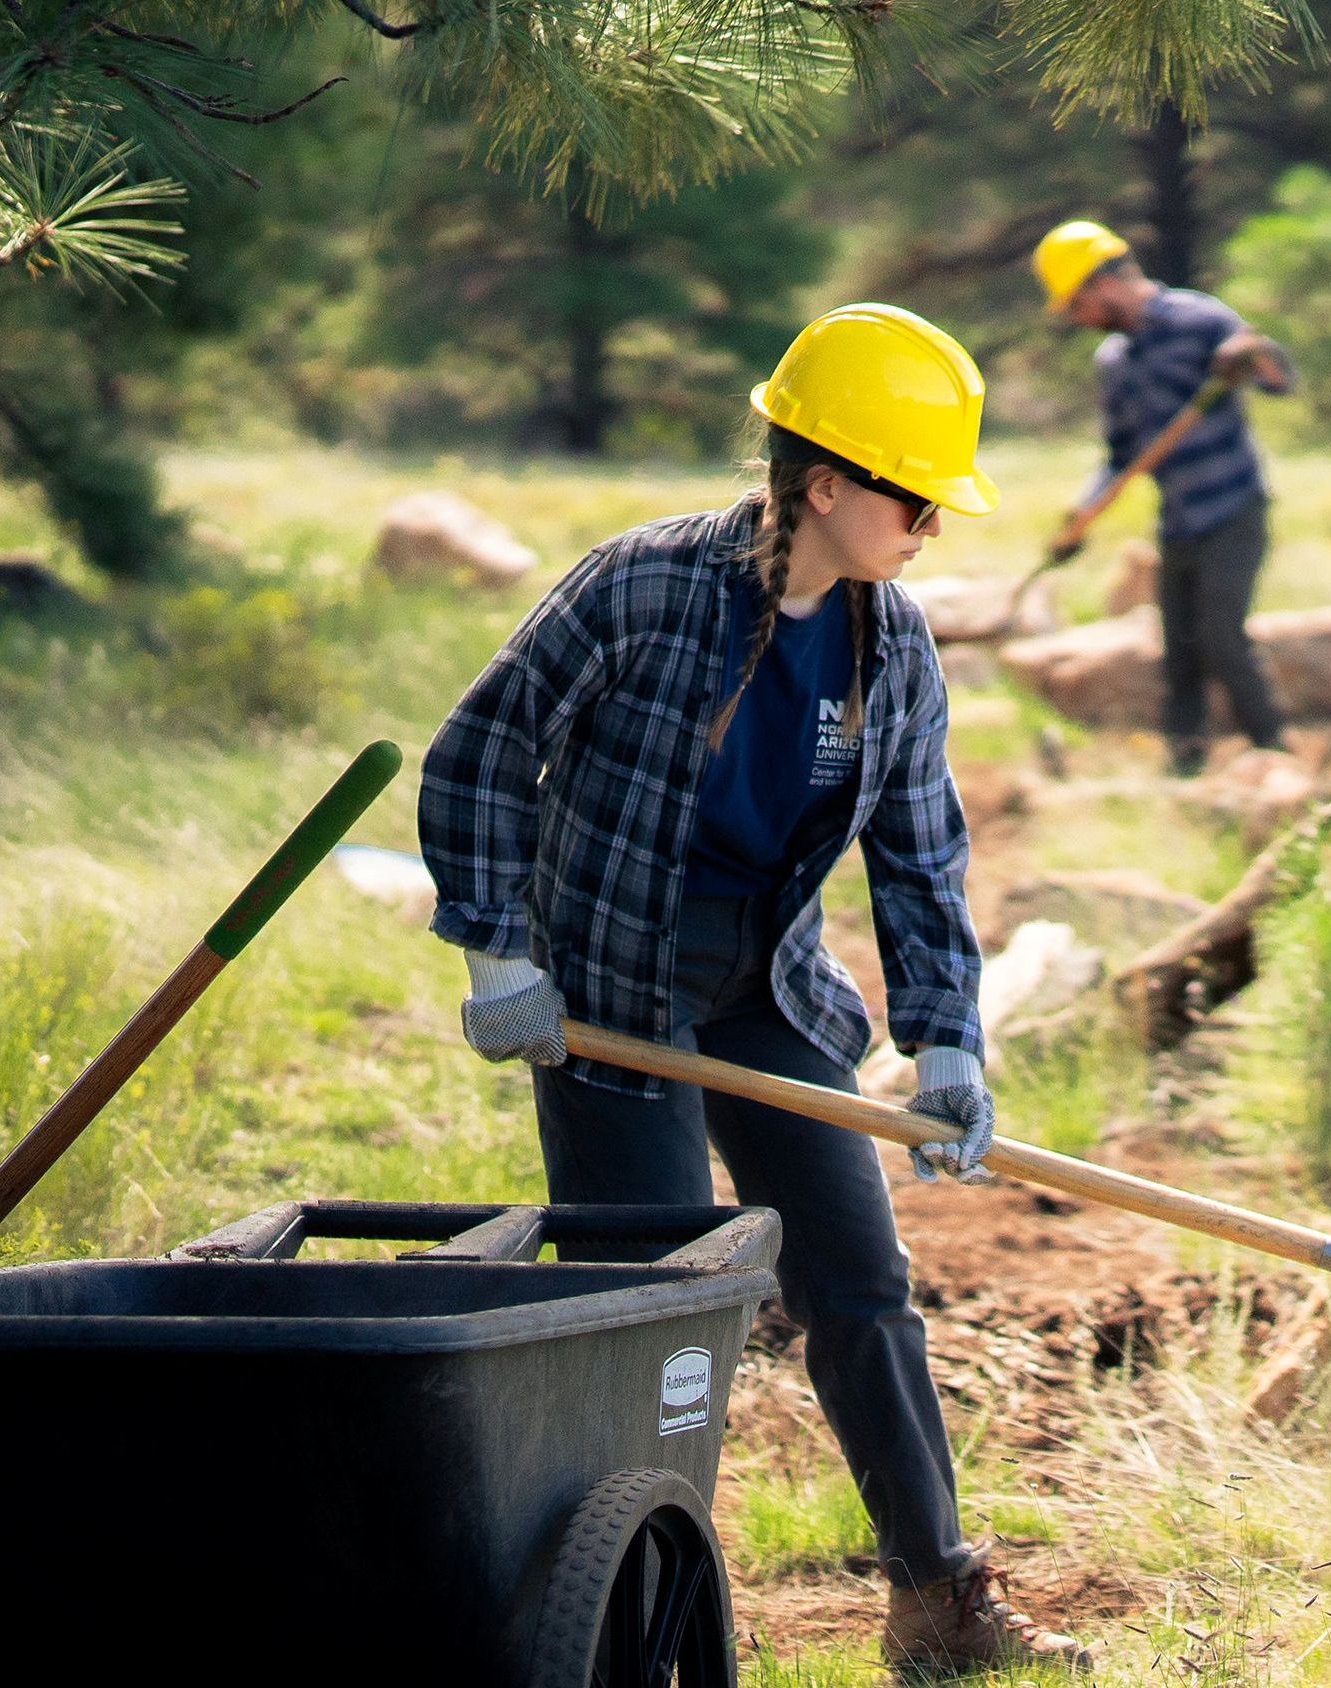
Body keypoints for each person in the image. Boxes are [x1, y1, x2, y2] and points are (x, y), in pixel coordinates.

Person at [418, 302, 1091, 1674]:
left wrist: (948, 1037)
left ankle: (937, 1602)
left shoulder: (887, 643)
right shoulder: (641, 586)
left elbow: (918, 843)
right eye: (917, 496)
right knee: (647, 1300)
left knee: (861, 1276)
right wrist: (497, 947)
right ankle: (620, 1624)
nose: (934, 528)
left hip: (762, 983)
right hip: (610, 980)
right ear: (826, 482)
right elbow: (479, 752)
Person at [1033, 219, 1297, 777]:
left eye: (1076, 304)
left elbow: (1279, 379)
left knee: (1223, 636)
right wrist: (1081, 516)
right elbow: (1119, 455)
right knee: (1179, 652)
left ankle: (1275, 754)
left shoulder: (1199, 319)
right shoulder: (1114, 362)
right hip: (1178, 522)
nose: (1077, 319)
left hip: (1234, 508)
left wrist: (1251, 352)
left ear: (1101, 284)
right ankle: (1185, 772)